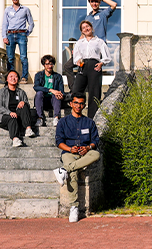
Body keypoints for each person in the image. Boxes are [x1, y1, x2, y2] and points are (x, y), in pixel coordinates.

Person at [53, 93, 101, 222]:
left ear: (84, 105)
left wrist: (88, 148)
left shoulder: (89, 122)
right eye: (76, 103)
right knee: (73, 173)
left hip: (85, 153)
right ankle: (74, 207)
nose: (78, 106)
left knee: (96, 154)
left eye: (81, 103)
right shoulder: (63, 122)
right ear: (71, 104)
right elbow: (58, 142)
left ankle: (63, 170)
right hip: (69, 152)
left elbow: (95, 141)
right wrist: (69, 149)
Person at [71, 20, 112, 119]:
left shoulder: (99, 42)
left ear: (91, 28)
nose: (86, 28)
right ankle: (76, 115)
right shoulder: (79, 43)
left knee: (94, 92)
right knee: (76, 90)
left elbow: (107, 56)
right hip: (83, 65)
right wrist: (77, 62)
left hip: (94, 66)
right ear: (82, 31)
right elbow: (76, 57)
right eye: (83, 28)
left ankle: (92, 118)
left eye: (87, 26)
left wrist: (102, 63)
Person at [0, 70, 36, 148]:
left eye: (16, 77)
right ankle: (15, 139)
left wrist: (23, 102)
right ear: (7, 79)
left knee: (24, 105)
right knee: (12, 117)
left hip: (19, 116)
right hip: (4, 116)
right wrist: (9, 112)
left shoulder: (21, 92)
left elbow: (27, 106)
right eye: (11, 76)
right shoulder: (2, 92)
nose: (13, 78)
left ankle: (28, 128)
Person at [2, 0, 35, 83]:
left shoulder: (25, 9)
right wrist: (4, 36)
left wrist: (26, 33)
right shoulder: (7, 10)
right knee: (10, 57)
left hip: (21, 34)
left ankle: (24, 77)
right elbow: (5, 23)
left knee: (23, 57)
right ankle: (10, 77)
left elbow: (31, 23)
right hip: (10, 34)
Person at [33, 55, 65, 127]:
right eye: (47, 64)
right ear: (44, 65)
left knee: (56, 94)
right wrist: (50, 90)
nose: (49, 66)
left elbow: (61, 91)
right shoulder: (39, 75)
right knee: (39, 93)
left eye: (51, 64)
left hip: (54, 100)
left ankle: (56, 118)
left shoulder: (58, 76)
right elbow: (36, 87)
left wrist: (61, 95)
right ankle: (40, 118)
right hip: (42, 100)